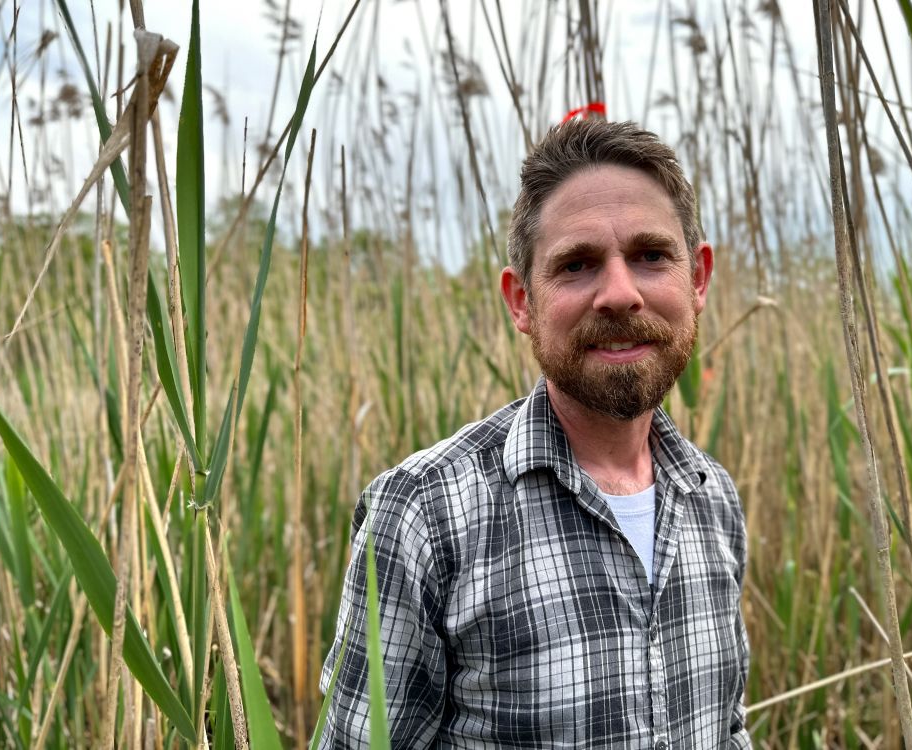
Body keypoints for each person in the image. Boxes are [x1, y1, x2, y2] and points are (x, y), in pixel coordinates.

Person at [319, 118, 751, 749]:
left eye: (651, 256)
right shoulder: (423, 515)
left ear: (698, 279)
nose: (620, 294)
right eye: (577, 265)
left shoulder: (713, 498)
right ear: (521, 300)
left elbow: (727, 728)